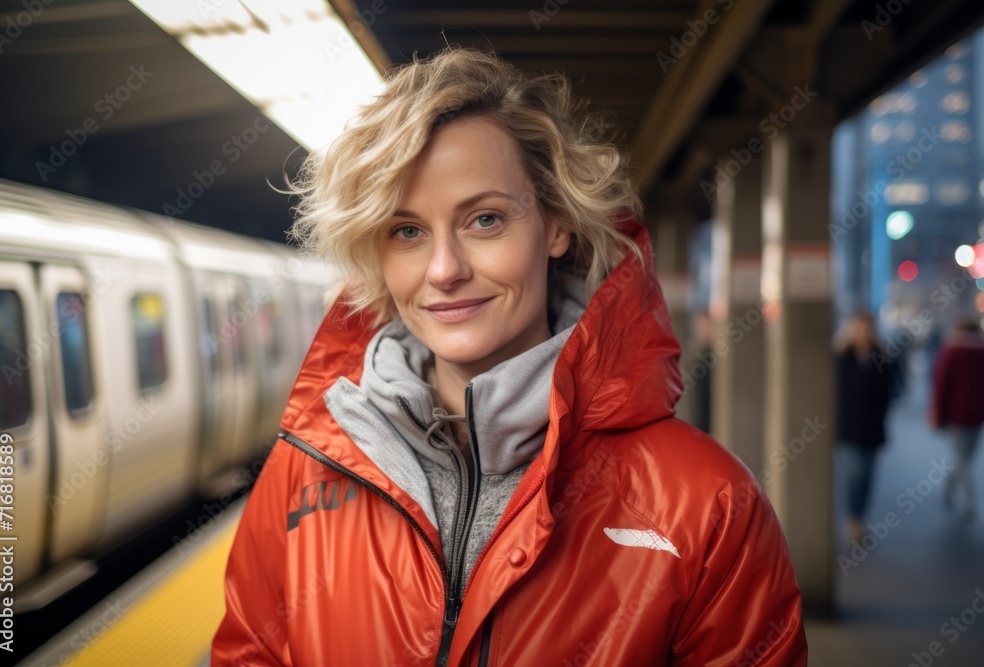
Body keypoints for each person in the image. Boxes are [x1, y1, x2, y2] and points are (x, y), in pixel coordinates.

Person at [212, 48, 806, 666]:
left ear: (556, 224)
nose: (444, 270)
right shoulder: (301, 473)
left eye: (485, 220)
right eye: (407, 231)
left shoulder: (705, 503)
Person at [834, 311, 896, 544]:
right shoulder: (841, 357)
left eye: (868, 328)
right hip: (847, 428)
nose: (864, 333)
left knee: (867, 477)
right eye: (860, 328)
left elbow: (888, 393)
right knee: (853, 475)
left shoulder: (881, 359)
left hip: (871, 428)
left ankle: (858, 517)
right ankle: (852, 518)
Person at [930, 317, 984, 521]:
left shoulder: (952, 351)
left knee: (962, 458)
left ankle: (969, 500)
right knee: (964, 457)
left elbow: (941, 384)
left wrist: (937, 413)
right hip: (978, 414)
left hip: (956, 413)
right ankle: (948, 490)